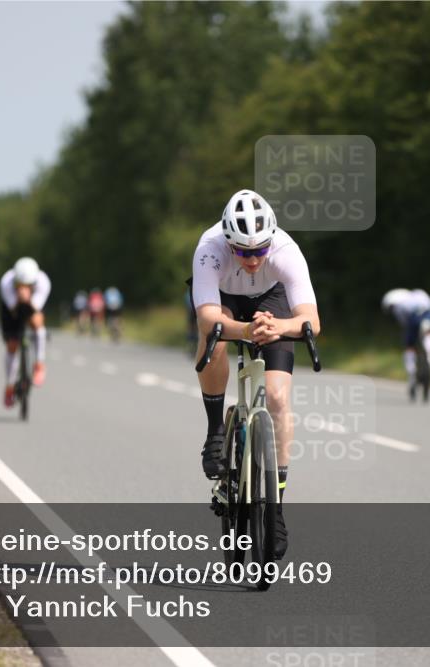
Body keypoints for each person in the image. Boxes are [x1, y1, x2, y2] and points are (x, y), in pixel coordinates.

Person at [190, 188, 320, 559]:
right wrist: (247, 331)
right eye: (244, 251)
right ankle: (217, 429)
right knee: (213, 339)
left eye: (260, 250)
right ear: (229, 242)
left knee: (278, 397)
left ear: (271, 241)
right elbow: (206, 317)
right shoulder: (210, 248)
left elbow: (312, 318)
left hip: (272, 300)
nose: (253, 258)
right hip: (224, 302)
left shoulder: (285, 250)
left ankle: (275, 507)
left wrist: (278, 327)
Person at [0, 257, 51, 407]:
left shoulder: (43, 282)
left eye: (28, 285)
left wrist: (28, 299)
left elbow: (35, 309)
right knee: (12, 344)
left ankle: (39, 364)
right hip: (11, 309)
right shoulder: (6, 283)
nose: (23, 287)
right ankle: (9, 385)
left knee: (37, 322)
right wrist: (19, 299)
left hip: (33, 305)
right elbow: (13, 311)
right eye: (20, 285)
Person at [381, 288, 430, 401]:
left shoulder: (400, 307)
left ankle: (411, 371)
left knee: (409, 346)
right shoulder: (421, 294)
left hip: (414, 321)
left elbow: (405, 323)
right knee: (429, 333)